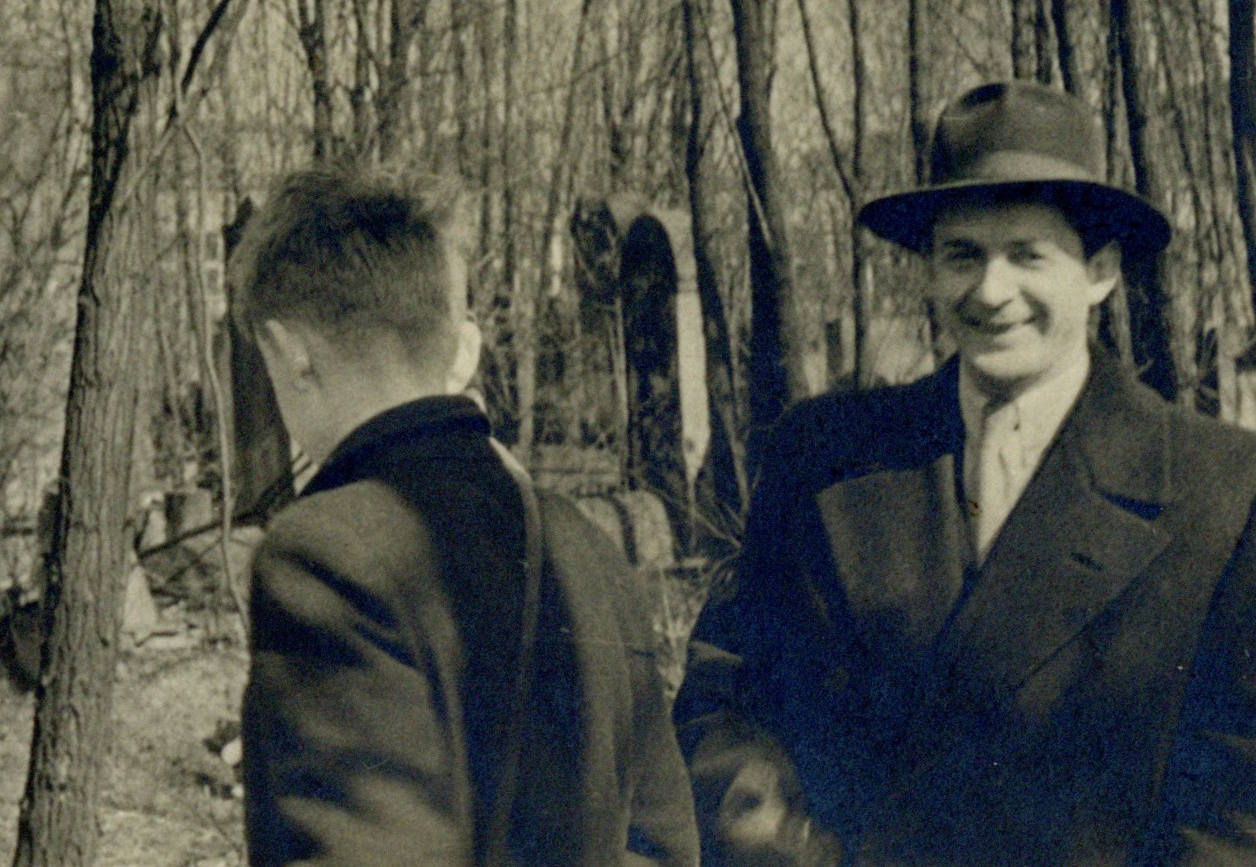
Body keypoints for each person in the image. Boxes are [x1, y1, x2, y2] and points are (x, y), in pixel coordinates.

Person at [675, 80, 1256, 866]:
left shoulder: (1220, 491)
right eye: (962, 255)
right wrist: (757, 805)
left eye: (1027, 254)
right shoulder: (825, 456)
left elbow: (1235, 805)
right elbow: (724, 689)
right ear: (928, 271)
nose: (990, 291)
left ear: (1101, 270)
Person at [232, 168, 698, 867]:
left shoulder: (325, 553)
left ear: (290, 352)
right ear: (450, 340)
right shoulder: (586, 544)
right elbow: (662, 846)